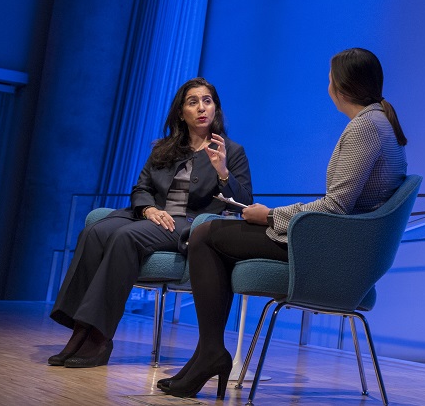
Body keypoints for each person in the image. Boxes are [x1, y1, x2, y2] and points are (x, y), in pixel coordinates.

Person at [159, 48, 407, 400]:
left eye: (329, 78)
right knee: (209, 235)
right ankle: (207, 354)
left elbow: (335, 206)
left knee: (206, 234)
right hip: (332, 241)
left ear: (342, 86)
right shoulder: (376, 121)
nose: (327, 85)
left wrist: (271, 216)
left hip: (331, 251)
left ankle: (210, 353)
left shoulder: (366, 127)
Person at [49, 77, 253, 368]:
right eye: (192, 102)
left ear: (216, 108)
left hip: (188, 225)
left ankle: (98, 337)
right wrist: (147, 210)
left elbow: (244, 200)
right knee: (94, 232)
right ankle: (79, 327)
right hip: (152, 216)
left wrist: (223, 171)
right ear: (181, 112)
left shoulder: (231, 151)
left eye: (207, 101)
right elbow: (141, 188)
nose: (201, 108)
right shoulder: (164, 148)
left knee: (126, 237)